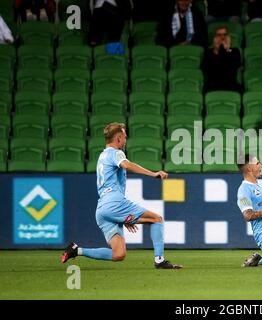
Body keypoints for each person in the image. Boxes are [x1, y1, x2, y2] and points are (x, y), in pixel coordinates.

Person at [60, 123, 183, 269]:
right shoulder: (115, 153)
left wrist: (120, 216)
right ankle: (160, 260)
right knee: (157, 219)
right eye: (124, 137)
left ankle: (76, 250)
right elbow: (127, 165)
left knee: (118, 254)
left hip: (102, 209)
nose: (125, 139)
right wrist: (153, 174)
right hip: (114, 203)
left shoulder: (102, 156)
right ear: (118, 138)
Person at [203, 25, 242, 93]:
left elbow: (234, 67)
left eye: (224, 34)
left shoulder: (235, 51)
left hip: (230, 84)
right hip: (213, 85)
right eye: (219, 35)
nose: (222, 37)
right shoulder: (208, 52)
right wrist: (216, 50)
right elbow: (208, 68)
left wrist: (227, 50)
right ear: (214, 37)